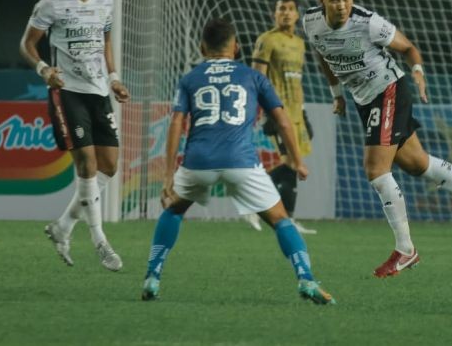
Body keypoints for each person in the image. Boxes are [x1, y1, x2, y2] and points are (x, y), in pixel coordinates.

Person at [304, 0, 452, 278]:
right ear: (322, 0)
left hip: (389, 89)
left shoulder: (368, 22)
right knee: (416, 164)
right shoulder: (311, 23)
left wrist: (419, 72)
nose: (342, 5)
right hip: (363, 98)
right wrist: (337, 95)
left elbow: (409, 48)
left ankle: (405, 250)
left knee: (375, 169)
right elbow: (324, 56)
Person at [141, 18, 334, 305]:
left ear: (202, 47)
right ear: (237, 47)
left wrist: (169, 175)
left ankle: (152, 277)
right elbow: (282, 120)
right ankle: (306, 278)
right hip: (242, 163)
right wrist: (297, 160)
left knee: (173, 210)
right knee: (281, 220)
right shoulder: (253, 76)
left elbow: (176, 122)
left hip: (198, 163)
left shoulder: (190, 78)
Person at [20, 0, 130, 271]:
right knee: (87, 164)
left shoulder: (105, 1)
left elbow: (104, 42)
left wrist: (113, 78)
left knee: (109, 166)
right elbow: (27, 43)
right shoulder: (50, 4)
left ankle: (63, 227)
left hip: (99, 91)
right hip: (66, 91)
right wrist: (44, 70)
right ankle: (100, 241)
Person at [246, 0, 317, 234]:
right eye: (281, 8)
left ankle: (276, 213)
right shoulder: (267, 40)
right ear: (274, 13)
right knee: (291, 163)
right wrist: (266, 111)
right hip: (279, 112)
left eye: (290, 9)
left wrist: (304, 111)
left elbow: (298, 81)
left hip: (297, 113)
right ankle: (262, 207)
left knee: (291, 164)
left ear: (297, 14)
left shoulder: (299, 43)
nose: (285, 13)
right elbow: (257, 78)